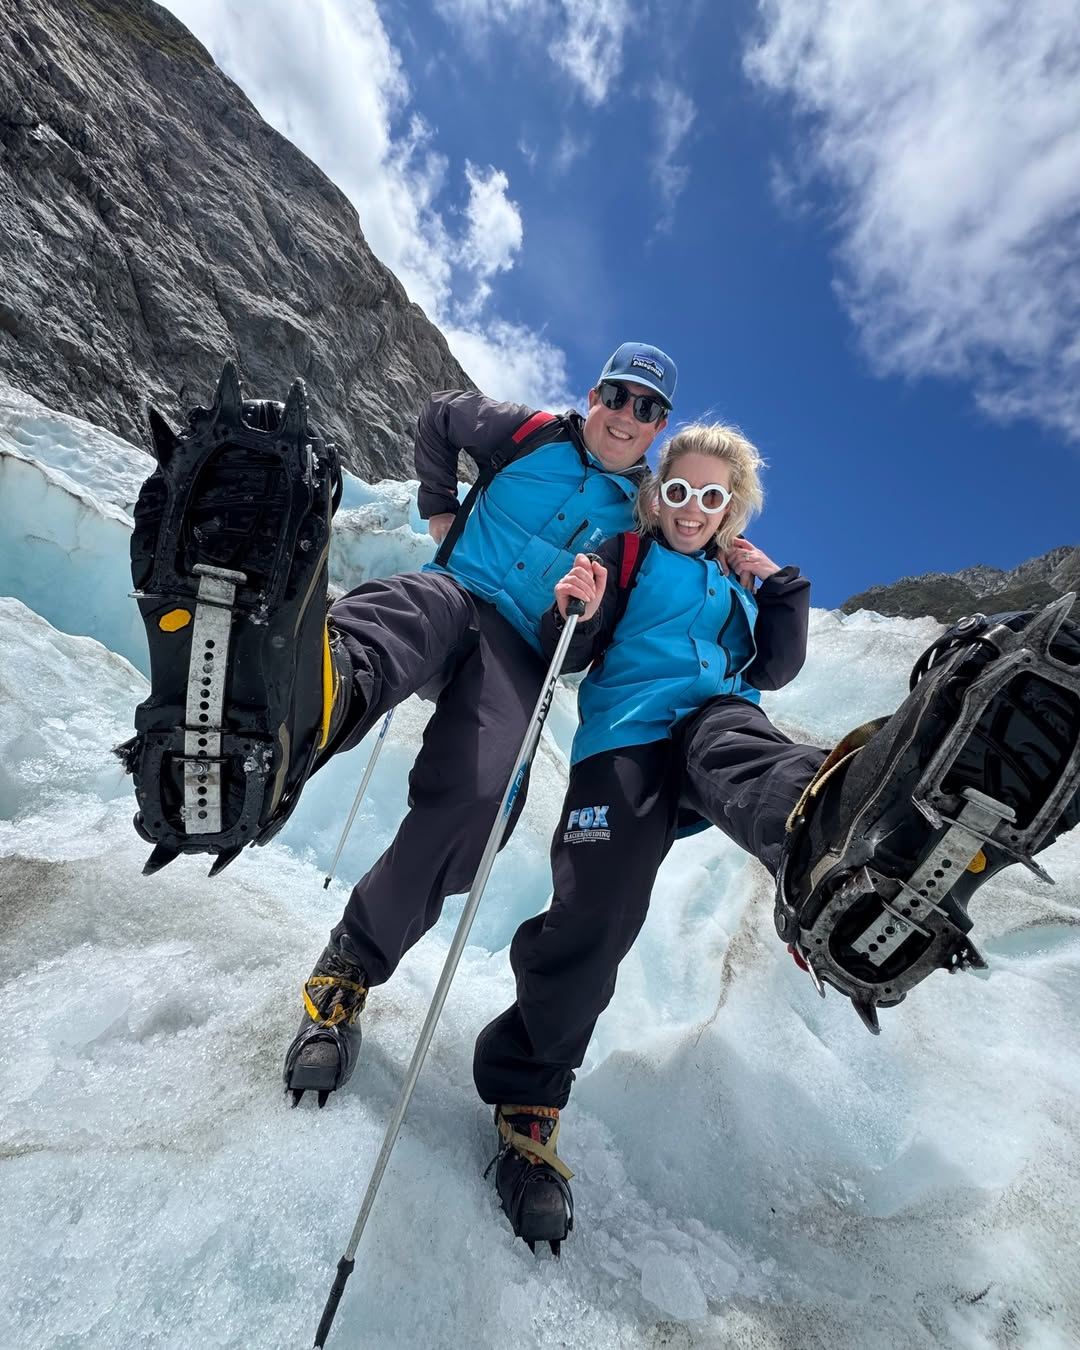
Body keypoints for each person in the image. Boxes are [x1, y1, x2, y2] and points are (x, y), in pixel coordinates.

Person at [471, 422, 1080, 1252]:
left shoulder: (738, 580)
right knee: (597, 916)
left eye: (710, 497)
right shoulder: (627, 556)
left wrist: (780, 589)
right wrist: (573, 599)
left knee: (762, 760)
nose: (691, 508)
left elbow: (773, 670)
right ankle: (529, 1102)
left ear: (732, 508)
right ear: (660, 495)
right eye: (678, 491)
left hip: (711, 722)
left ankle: (846, 846)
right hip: (623, 738)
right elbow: (565, 649)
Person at [122, 343, 677, 1104]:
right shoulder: (532, 430)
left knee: (481, 801)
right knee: (386, 629)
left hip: (520, 650)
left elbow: (598, 639)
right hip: (454, 589)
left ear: (659, 427)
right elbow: (439, 417)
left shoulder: (641, 523)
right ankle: (286, 712)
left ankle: (349, 964)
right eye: (619, 395)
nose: (627, 415)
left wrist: (577, 612)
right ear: (596, 394)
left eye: (646, 407)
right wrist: (437, 504)